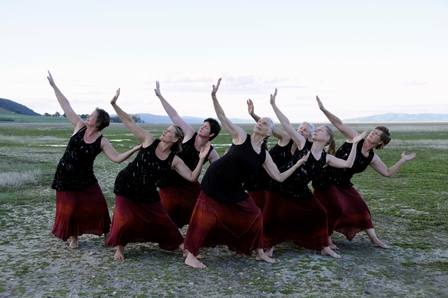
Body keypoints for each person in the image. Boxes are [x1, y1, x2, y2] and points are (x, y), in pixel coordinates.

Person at [183, 79, 309, 268]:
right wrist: (214, 97)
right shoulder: (242, 136)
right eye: (259, 121)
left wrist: (298, 163)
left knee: (255, 215)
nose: (259, 124)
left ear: (269, 133)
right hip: (216, 179)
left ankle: (259, 252)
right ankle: (191, 254)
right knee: (204, 216)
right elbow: (223, 118)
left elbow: (279, 177)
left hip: (234, 188)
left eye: (264, 124)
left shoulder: (264, 155)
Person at [106, 88, 211, 260]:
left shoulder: (173, 160)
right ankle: (120, 248)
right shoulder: (149, 141)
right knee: (125, 218)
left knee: (162, 219)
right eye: (166, 129)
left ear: (175, 139)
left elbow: (192, 177)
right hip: (126, 185)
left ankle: (184, 249)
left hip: (147, 191)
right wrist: (114, 104)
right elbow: (130, 122)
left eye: (169, 132)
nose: (165, 132)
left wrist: (201, 159)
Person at [266, 89, 367, 258]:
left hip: (300, 189)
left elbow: (348, 164)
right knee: (276, 217)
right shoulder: (302, 143)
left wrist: (355, 144)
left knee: (320, 213)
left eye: (320, 130)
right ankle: (269, 248)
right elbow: (286, 124)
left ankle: (324, 246)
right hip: (281, 185)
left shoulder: (326, 157)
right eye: (316, 130)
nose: (316, 131)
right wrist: (274, 105)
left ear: (327, 138)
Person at [47, 71, 141, 249]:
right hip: (65, 176)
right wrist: (54, 86)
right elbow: (66, 105)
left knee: (99, 204)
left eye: (91, 116)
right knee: (72, 207)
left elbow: (116, 158)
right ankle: (74, 238)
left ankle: (107, 233)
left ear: (97, 123)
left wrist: (134, 149)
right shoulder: (79, 127)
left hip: (85, 178)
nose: (87, 117)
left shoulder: (101, 141)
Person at [312, 96, 416, 249]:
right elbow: (338, 124)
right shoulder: (355, 138)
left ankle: (374, 240)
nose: (371, 134)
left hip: (344, 184)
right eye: (373, 131)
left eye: (376, 134)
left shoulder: (372, 157)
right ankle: (327, 239)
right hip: (327, 179)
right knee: (337, 208)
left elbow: (387, 173)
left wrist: (402, 160)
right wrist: (323, 109)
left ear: (380, 142)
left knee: (361, 207)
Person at [154, 81, 221, 229]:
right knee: (168, 208)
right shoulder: (189, 133)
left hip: (189, 182)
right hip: (169, 180)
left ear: (212, 134)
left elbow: (219, 170)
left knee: (202, 205)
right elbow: (174, 115)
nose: (202, 127)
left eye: (206, 127)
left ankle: (199, 232)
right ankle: (169, 236)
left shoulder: (211, 151)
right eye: (202, 125)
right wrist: (160, 96)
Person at [245, 99, 315, 211]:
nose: (301, 131)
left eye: (305, 131)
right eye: (300, 128)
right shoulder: (286, 138)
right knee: (256, 210)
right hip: (260, 178)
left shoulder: (306, 149)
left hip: (277, 184)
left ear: (310, 136)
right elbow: (269, 127)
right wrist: (253, 115)